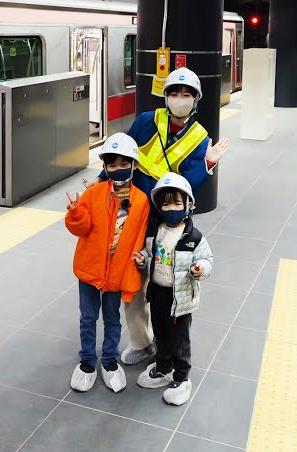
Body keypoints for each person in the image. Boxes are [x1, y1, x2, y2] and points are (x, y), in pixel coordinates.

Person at [118, 67, 229, 367]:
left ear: (195, 100)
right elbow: (124, 157)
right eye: (174, 93)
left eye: (186, 94)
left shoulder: (200, 138)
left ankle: (170, 350)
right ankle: (141, 342)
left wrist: (207, 163)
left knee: (164, 283)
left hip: (168, 221)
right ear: (166, 97)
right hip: (135, 213)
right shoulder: (146, 122)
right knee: (132, 278)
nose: (180, 99)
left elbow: (187, 187)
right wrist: (104, 178)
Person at [64, 133, 150, 393]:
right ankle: (88, 362)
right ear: (104, 167)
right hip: (90, 270)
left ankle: (110, 362)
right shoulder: (93, 194)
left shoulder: (142, 201)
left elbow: (139, 238)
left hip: (117, 272)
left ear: (134, 166)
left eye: (124, 164)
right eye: (112, 165)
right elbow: (81, 229)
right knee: (88, 317)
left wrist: (140, 261)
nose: (118, 169)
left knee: (112, 319)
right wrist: (76, 213)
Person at [132, 173, 213, 405]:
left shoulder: (194, 237)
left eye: (177, 203)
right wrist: (142, 260)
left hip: (181, 298)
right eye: (165, 203)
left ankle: (181, 377)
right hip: (159, 293)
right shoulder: (156, 233)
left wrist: (200, 268)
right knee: (161, 333)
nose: (171, 208)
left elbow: (207, 260)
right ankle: (163, 367)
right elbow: (151, 256)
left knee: (179, 339)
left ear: (189, 206)